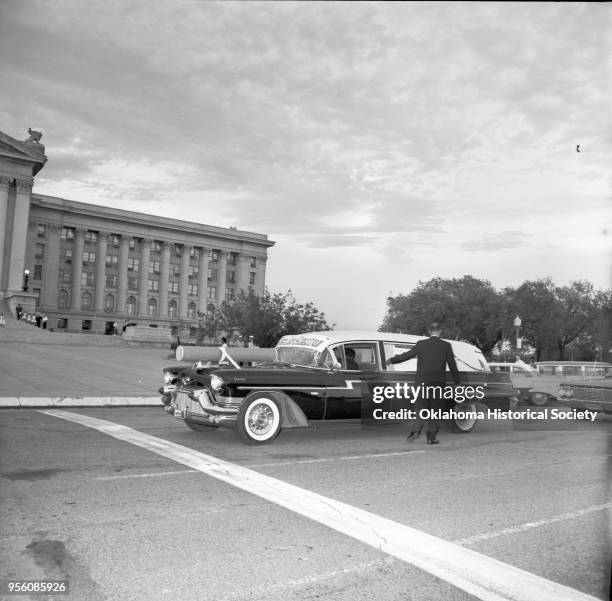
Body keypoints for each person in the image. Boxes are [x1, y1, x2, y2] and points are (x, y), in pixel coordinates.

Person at [386, 322, 460, 445]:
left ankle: (414, 434)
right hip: (437, 384)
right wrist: (457, 382)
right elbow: (452, 364)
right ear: (440, 331)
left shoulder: (421, 344)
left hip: (422, 383)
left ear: (428, 331)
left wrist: (392, 360)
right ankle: (431, 438)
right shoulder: (446, 345)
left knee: (420, 409)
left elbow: (407, 356)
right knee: (436, 411)